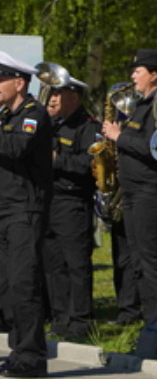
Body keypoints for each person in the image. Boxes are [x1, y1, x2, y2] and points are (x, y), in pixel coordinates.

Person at [101, 49, 157, 321]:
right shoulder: (140, 105)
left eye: (138, 71)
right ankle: (151, 322)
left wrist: (119, 137)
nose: (133, 76)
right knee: (138, 260)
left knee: (151, 260)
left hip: (149, 191)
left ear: (153, 75)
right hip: (133, 191)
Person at [0, 52, 52, 378]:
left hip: (25, 209)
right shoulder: (6, 115)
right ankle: (17, 349)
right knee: (7, 285)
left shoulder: (34, 113)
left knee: (24, 283)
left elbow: (17, 148)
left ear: (18, 83)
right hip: (5, 208)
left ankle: (32, 357)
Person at [43, 71, 99, 342]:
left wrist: (57, 160)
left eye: (57, 94)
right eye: (51, 93)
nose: (52, 98)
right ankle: (60, 317)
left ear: (73, 97)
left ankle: (81, 320)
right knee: (54, 264)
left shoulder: (87, 126)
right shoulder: (51, 124)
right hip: (49, 199)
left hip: (72, 200)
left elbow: (88, 164)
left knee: (76, 263)